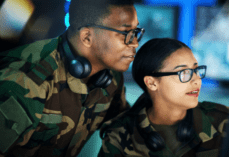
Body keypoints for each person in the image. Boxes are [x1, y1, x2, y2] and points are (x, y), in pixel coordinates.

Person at [0, 0, 144, 156]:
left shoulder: (110, 78)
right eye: (125, 33)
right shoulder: (24, 80)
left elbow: (125, 125)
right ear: (87, 37)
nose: (135, 43)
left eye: (136, 32)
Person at [99, 38, 229, 157]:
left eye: (196, 70)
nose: (196, 80)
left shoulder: (225, 121)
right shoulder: (119, 134)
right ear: (152, 83)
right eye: (184, 73)